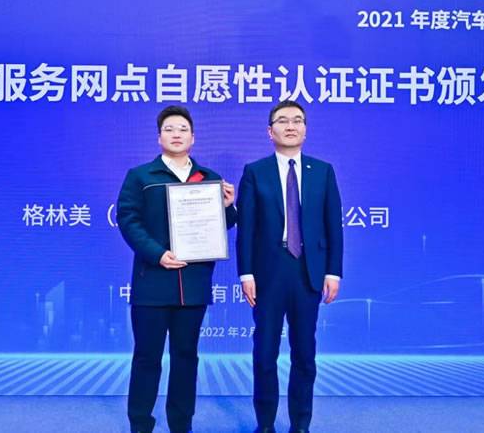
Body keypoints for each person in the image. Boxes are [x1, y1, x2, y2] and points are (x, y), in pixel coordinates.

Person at [117, 105, 237, 433]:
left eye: (183, 129)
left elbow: (220, 227)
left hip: (194, 285)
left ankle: (181, 425)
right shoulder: (141, 176)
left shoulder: (209, 179)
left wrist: (228, 207)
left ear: (193, 137)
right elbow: (128, 220)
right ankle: (140, 424)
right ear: (159, 137)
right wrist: (157, 253)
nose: (176, 134)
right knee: (147, 358)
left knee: (186, 358)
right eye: (169, 129)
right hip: (152, 283)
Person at [236, 100, 343, 433]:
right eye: (283, 121)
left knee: (305, 354)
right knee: (265, 353)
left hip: (308, 271)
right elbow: (246, 228)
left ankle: (300, 425)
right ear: (270, 131)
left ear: (305, 130)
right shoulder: (255, 172)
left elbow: (333, 226)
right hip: (269, 271)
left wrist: (333, 271)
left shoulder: (322, 171)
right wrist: (246, 272)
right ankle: (265, 425)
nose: (291, 126)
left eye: (298, 120)